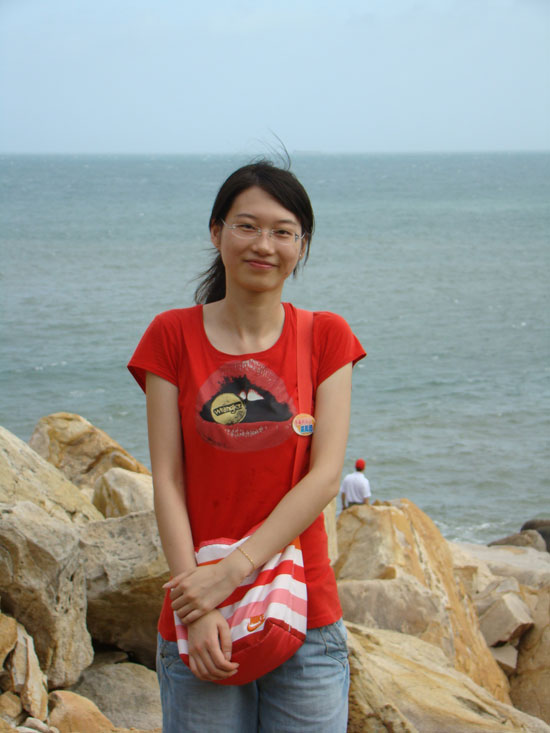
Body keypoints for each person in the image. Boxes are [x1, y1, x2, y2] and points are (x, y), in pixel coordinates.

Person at [128, 160, 365, 732]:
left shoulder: (325, 336)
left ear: (301, 246)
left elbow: (324, 477)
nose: (264, 245)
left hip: (303, 614)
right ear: (217, 232)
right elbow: (168, 479)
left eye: (283, 231)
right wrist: (198, 604)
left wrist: (230, 571)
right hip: (200, 615)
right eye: (247, 226)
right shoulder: (171, 335)